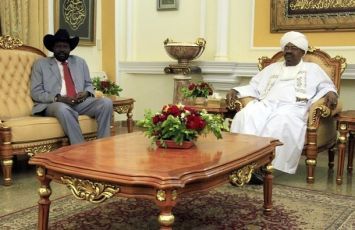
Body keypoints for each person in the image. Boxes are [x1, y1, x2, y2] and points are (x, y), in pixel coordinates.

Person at [226, 31, 338, 181]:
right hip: (266, 104)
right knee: (245, 115)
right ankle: (241, 164)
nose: (289, 51)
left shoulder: (313, 69)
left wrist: (331, 92)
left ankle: (264, 167)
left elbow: (326, 86)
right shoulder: (272, 68)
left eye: (293, 48)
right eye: (287, 47)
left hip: (293, 107)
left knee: (279, 121)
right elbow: (254, 86)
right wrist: (236, 90)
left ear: (302, 52)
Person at [31, 29, 113, 145]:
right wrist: (58, 98)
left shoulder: (80, 62)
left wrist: (86, 93)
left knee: (106, 103)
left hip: (79, 102)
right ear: (53, 48)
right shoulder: (41, 64)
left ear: (70, 49)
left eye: (65, 46)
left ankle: (104, 144)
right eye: (58, 46)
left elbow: (88, 84)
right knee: (63, 108)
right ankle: (79, 148)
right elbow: (36, 92)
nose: (62, 50)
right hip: (54, 104)